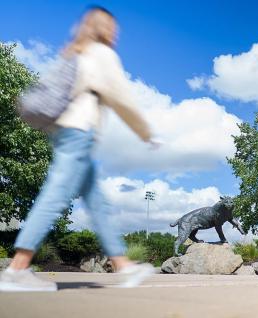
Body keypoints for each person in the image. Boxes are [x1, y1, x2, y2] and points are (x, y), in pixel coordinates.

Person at [0, 6, 158, 292]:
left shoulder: (76, 52)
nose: (117, 33)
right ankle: (17, 269)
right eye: (113, 28)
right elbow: (122, 98)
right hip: (79, 134)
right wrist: (146, 133)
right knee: (55, 194)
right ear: (104, 28)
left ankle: (124, 266)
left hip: (64, 133)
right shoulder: (102, 54)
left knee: (97, 203)